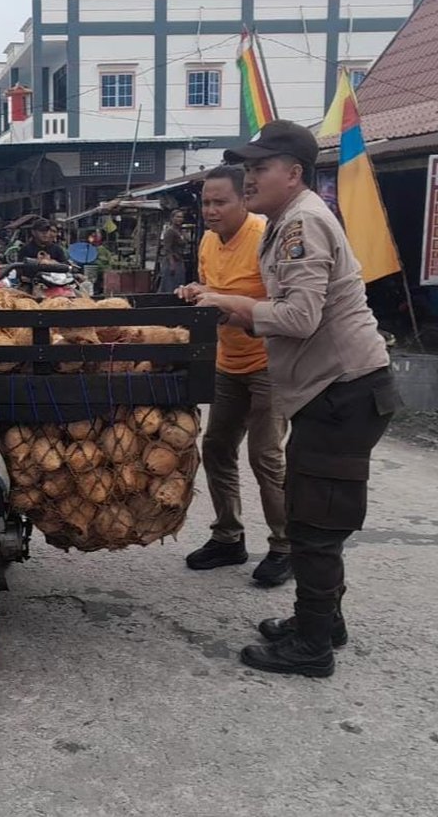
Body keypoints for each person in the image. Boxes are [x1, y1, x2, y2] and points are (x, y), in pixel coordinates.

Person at [197, 120, 401, 678]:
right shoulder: (292, 218)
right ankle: (322, 621)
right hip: (334, 390)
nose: (250, 176)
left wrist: (229, 302)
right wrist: (237, 309)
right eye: (249, 166)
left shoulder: (302, 223)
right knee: (317, 513)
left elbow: (300, 316)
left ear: (294, 173)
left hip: (342, 390)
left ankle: (311, 646)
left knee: (313, 522)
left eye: (260, 167)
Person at [177, 165, 292, 586]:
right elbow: (213, 292)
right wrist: (195, 292)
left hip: (269, 363)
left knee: (265, 456)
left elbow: (286, 306)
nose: (210, 210)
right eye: (206, 202)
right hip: (228, 361)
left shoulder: (266, 238)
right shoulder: (209, 240)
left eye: (220, 201)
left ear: (245, 199)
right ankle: (229, 536)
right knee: (218, 448)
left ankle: (285, 546)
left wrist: (223, 302)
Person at [159, 210, 187, 292]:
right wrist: (172, 264)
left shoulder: (180, 231)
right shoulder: (170, 231)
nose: (180, 219)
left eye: (181, 217)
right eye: (177, 217)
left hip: (179, 260)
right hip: (171, 262)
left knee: (179, 285)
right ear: (172, 218)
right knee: (170, 285)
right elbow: (167, 249)